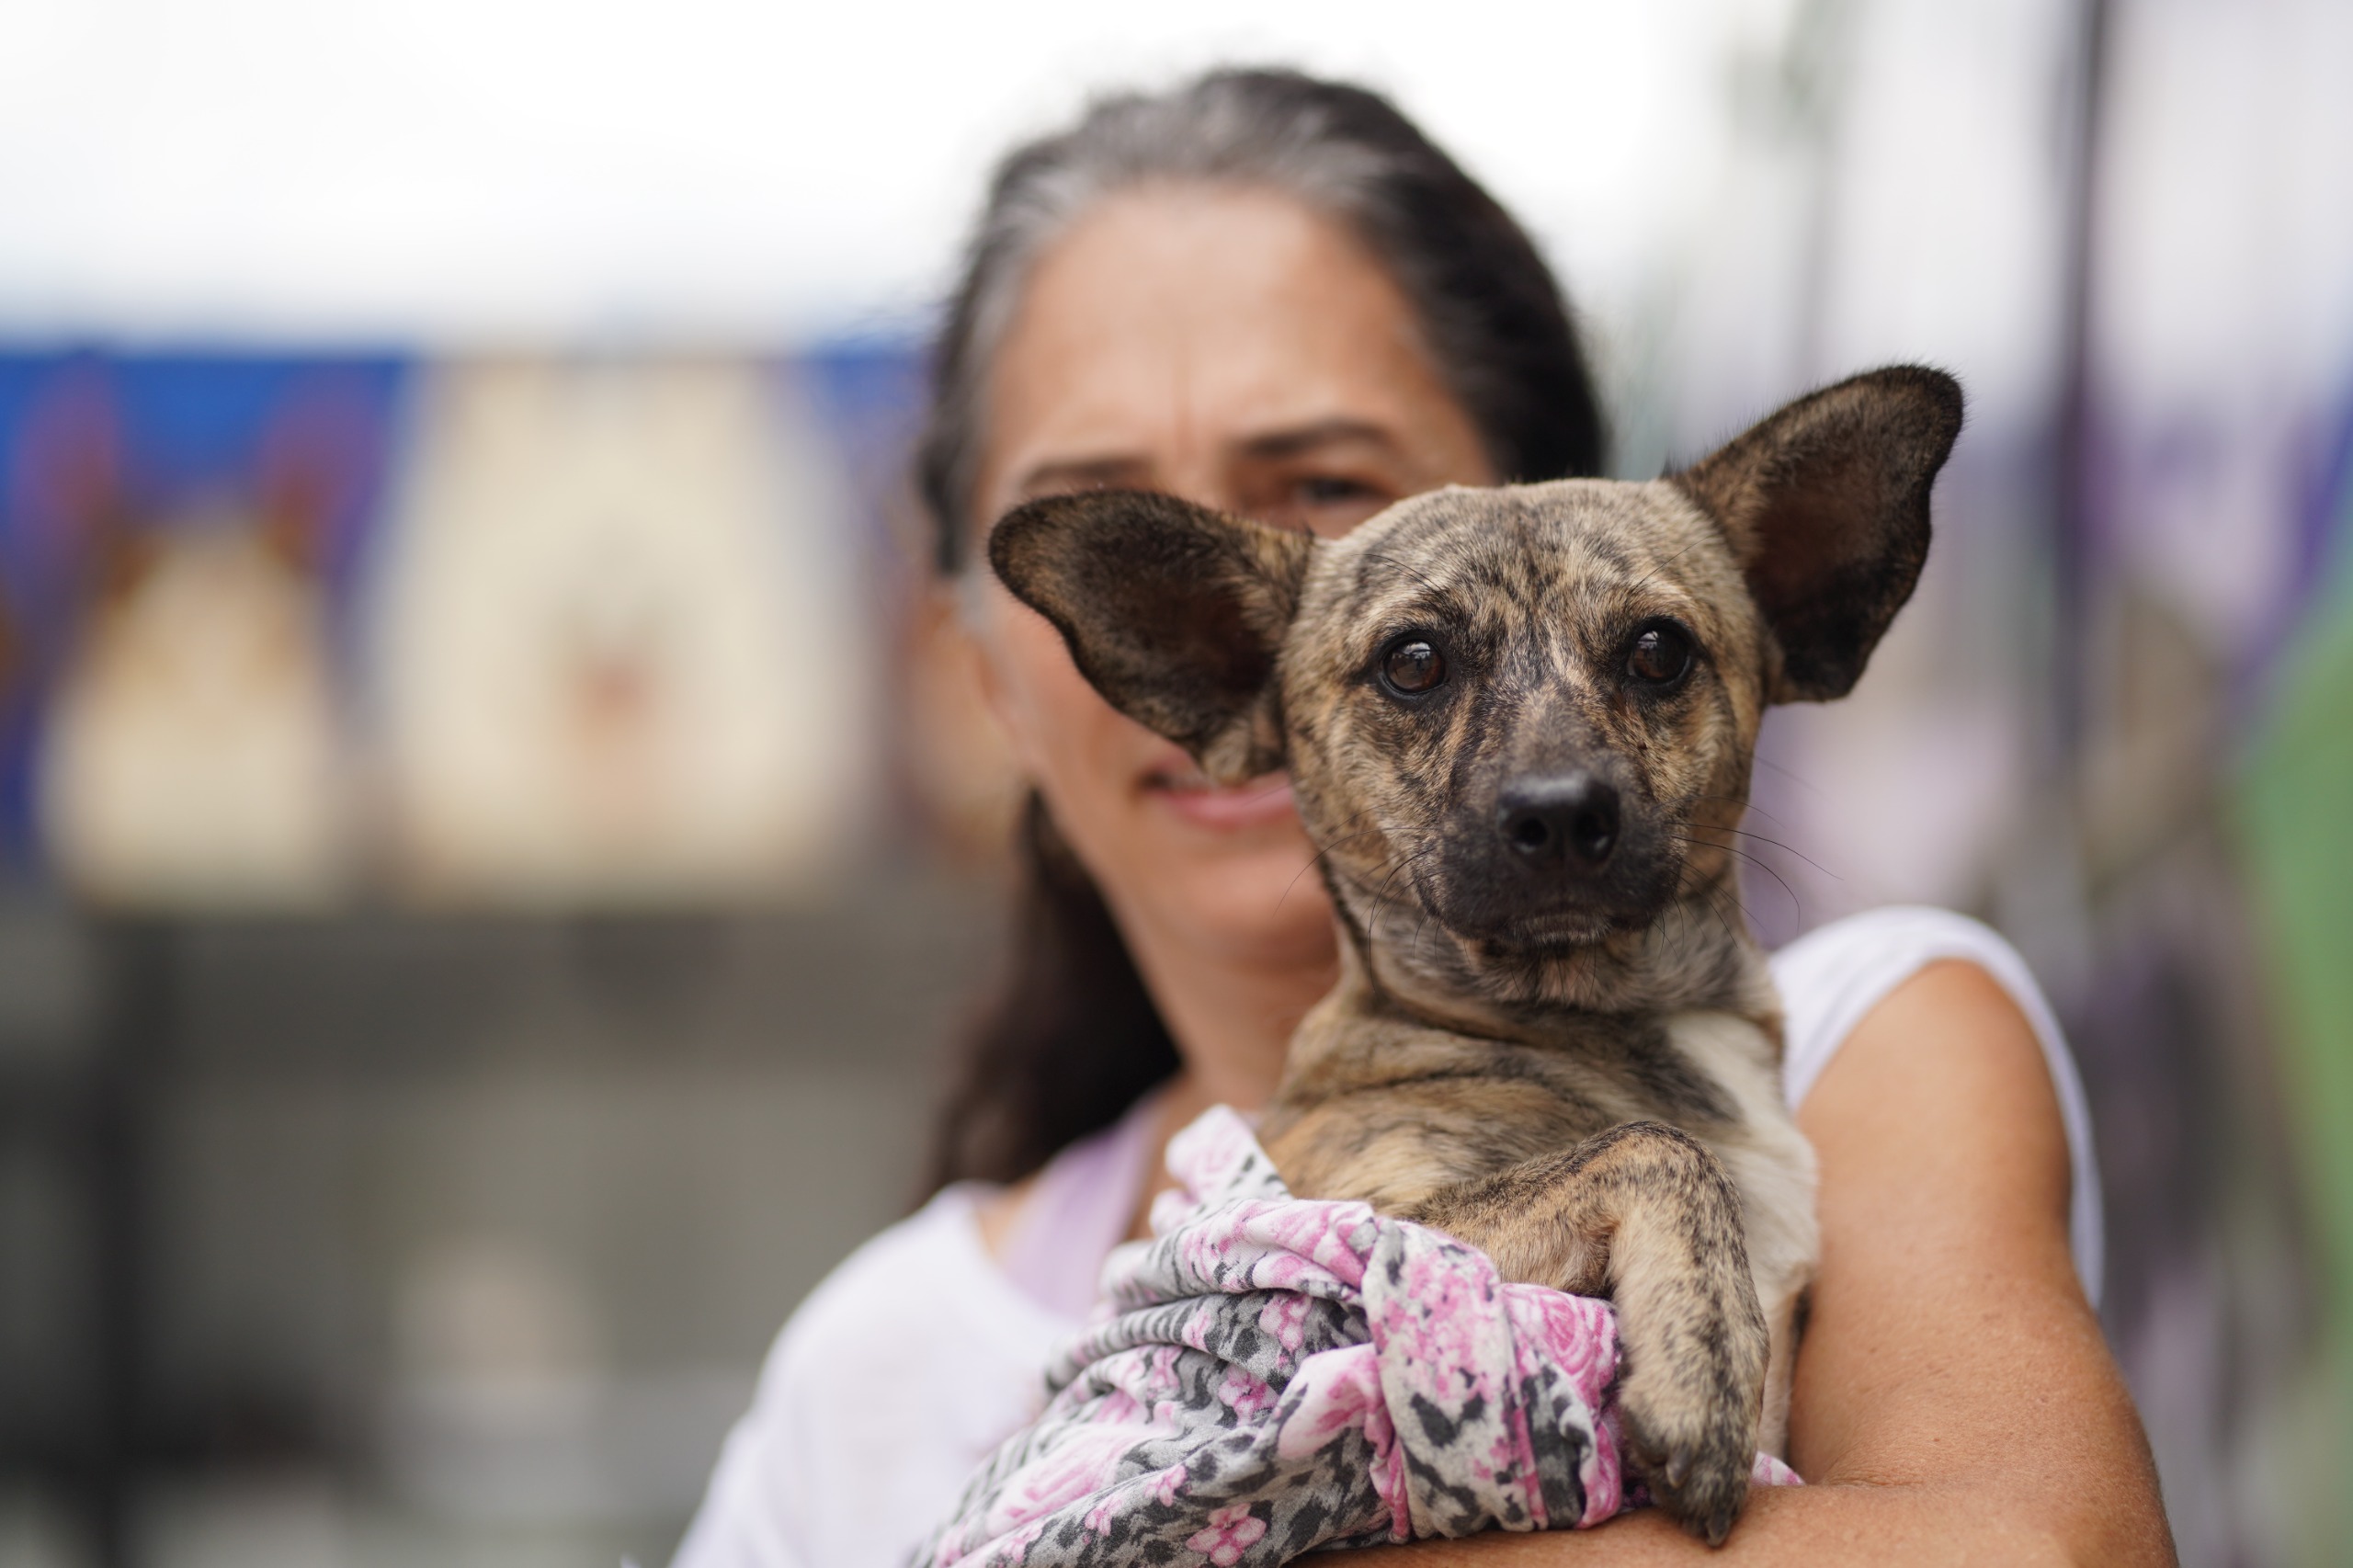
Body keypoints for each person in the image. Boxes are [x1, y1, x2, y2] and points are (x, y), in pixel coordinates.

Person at [674, 69, 2171, 1566]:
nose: (1550, 774)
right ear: (1010, 668)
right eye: (1415, 659)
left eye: (1330, 482)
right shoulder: (860, 1379)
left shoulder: (1875, 1043)